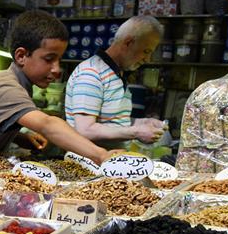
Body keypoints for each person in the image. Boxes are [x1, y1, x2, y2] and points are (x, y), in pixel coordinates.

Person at [0, 10, 114, 166]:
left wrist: (20, 137)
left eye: (59, 60)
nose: (57, 69)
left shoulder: (16, 84)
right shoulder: (7, 88)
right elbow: (47, 124)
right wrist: (102, 155)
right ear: (21, 56)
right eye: (49, 59)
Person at [65, 15, 166, 147]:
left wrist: (140, 123)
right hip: (88, 159)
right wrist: (136, 132)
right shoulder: (92, 72)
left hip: (110, 158)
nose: (148, 59)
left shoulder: (117, 74)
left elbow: (111, 123)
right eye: (146, 51)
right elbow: (85, 129)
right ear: (128, 42)